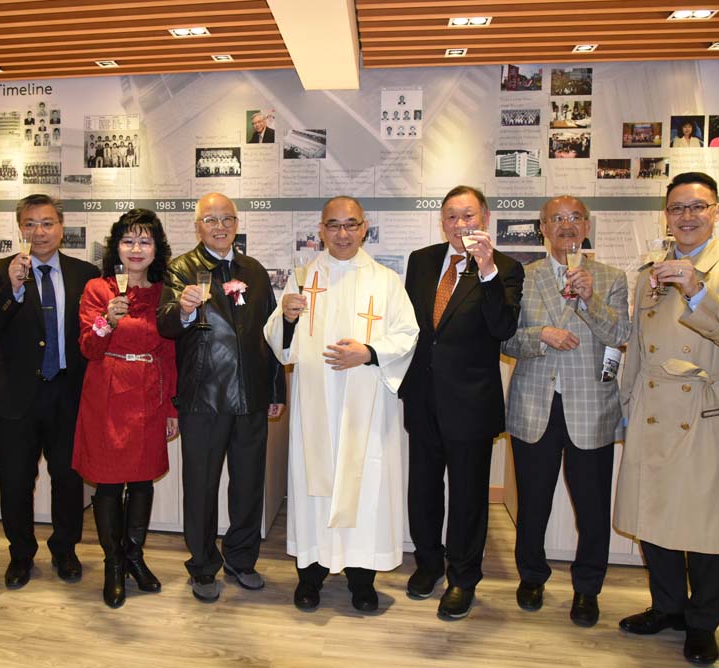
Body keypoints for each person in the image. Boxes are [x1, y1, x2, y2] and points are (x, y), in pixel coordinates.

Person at [615, 172, 719, 665]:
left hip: (708, 409)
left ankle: (703, 623)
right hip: (653, 407)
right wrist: (628, 406)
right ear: (666, 215)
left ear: (716, 211)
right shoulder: (651, 271)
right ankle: (667, 607)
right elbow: (638, 346)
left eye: (697, 206)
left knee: (706, 526)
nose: (687, 216)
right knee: (653, 516)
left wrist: (697, 288)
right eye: (677, 207)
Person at [264, 196, 418, 612]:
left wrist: (368, 352)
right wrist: (287, 318)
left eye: (351, 224)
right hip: (315, 404)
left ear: (364, 228)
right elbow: (279, 341)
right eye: (334, 225)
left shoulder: (385, 281)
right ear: (321, 230)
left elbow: (408, 333)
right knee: (314, 484)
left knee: (365, 486)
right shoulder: (304, 278)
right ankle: (310, 575)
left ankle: (361, 578)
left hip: (367, 405)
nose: (343, 233)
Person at [500, 196, 630, 626]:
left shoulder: (610, 278)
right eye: (557, 218)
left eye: (575, 218)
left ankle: (587, 588)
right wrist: (542, 335)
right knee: (533, 503)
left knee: (592, 508)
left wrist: (590, 299)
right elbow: (505, 339)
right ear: (543, 228)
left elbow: (619, 333)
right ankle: (531, 576)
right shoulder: (523, 276)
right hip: (534, 406)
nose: (567, 225)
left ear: (587, 226)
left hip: (590, 407)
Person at [400, 185, 524, 620]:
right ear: (442, 222)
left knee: (469, 497)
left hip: (471, 403)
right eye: (451, 216)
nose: (460, 224)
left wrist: (486, 271)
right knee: (423, 489)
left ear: (485, 218)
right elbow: (410, 326)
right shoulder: (421, 261)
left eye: (468, 215)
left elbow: (503, 328)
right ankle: (428, 563)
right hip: (422, 397)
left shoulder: (506, 268)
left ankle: (463, 577)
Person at [157, 192, 285, 602]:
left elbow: (272, 334)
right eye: (210, 220)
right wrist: (184, 309)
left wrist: (275, 388)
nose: (219, 226)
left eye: (226, 219)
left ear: (236, 224)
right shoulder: (181, 269)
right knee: (201, 487)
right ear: (198, 226)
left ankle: (241, 559)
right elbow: (165, 325)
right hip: (204, 397)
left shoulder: (255, 271)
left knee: (248, 485)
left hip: (251, 397)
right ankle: (202, 565)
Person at [0, 194, 100, 589]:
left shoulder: (86, 273)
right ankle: (20, 554)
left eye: (47, 223)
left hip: (68, 393)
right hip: (15, 397)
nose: (39, 232)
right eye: (30, 224)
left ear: (61, 227)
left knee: (68, 479)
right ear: (20, 229)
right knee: (15, 480)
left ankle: (65, 550)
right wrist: (13, 289)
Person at [73, 210, 178, 608]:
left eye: (144, 241)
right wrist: (106, 320)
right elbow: (88, 348)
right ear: (116, 246)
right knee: (108, 483)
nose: (136, 249)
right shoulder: (97, 288)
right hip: (107, 392)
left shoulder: (164, 291)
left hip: (150, 392)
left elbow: (169, 353)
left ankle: (134, 556)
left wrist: (171, 409)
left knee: (142, 481)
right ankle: (113, 563)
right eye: (128, 240)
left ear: (156, 248)